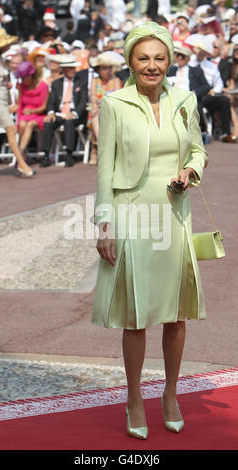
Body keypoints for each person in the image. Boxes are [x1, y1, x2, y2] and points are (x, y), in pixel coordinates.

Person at [91, 22, 208, 439]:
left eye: (160, 57)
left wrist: (190, 170)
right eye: (144, 58)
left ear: (170, 60)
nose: (152, 65)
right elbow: (105, 169)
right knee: (136, 315)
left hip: (175, 212)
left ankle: (171, 395)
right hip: (131, 212)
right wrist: (103, 222)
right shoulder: (114, 103)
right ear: (130, 61)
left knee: (176, 315)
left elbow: (198, 149)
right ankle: (135, 398)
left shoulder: (185, 99)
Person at [0, 28, 35, 177]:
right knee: (11, 129)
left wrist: (5, 85)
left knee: (11, 130)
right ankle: (21, 164)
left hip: (2, 98)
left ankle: (20, 164)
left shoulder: (2, 60)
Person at [41, 54, 88, 168]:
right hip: (60, 112)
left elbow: (83, 101)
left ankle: (69, 155)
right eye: (71, 68)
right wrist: (51, 112)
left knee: (69, 122)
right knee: (48, 122)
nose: (73, 70)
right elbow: (51, 101)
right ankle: (46, 155)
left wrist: (74, 113)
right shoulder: (56, 83)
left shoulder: (81, 82)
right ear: (64, 69)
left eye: (74, 68)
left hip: (74, 113)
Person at [88, 52, 122, 164]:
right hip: (98, 110)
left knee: (98, 115)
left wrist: (100, 101)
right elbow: (93, 97)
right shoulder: (95, 81)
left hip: (112, 110)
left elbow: (116, 98)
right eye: (104, 68)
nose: (107, 71)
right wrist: (95, 104)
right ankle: (101, 143)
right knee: (94, 114)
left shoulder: (115, 80)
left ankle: (96, 150)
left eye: (109, 68)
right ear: (98, 70)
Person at [167, 42, 210, 123]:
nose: (179, 58)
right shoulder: (170, 70)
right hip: (172, 98)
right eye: (178, 55)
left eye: (183, 56)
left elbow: (206, 86)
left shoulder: (196, 71)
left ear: (188, 59)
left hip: (188, 98)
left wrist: (194, 93)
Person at [15, 61, 49, 160]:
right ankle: (23, 152)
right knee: (21, 124)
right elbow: (20, 104)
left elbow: (44, 107)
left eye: (24, 77)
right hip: (25, 115)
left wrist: (32, 111)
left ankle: (20, 152)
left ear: (31, 76)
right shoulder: (22, 86)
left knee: (30, 124)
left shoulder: (43, 86)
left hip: (39, 115)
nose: (22, 80)